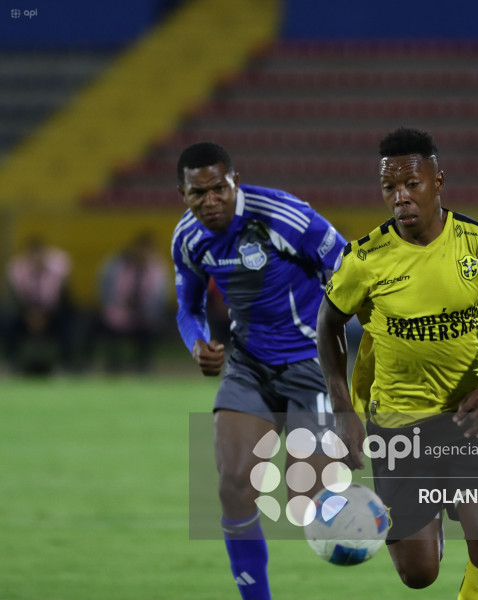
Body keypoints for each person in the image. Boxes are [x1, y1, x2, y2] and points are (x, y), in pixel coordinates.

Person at [317, 128, 478, 599]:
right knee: (420, 575)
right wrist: (343, 410)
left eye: (412, 184)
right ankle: (434, 520)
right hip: (397, 426)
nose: (401, 197)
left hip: (468, 419)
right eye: (390, 187)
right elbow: (327, 326)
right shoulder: (364, 259)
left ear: (438, 182)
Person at [171, 141, 347, 600]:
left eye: (218, 189)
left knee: (306, 500)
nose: (210, 201)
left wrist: (354, 361)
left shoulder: (284, 216)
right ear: (183, 194)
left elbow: (351, 270)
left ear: (234, 181)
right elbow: (186, 307)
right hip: (248, 365)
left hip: (312, 364)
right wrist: (197, 345)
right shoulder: (188, 239)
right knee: (234, 487)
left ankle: (376, 512)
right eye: (197, 194)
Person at [94, 231, 169, 373]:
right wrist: (120, 307)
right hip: (119, 311)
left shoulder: (157, 268)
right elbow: (106, 291)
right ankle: (113, 365)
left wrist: (145, 311)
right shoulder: (116, 265)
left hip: (145, 315)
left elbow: (159, 297)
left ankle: (143, 365)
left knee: (149, 327)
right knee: (105, 325)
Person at [4, 235, 75, 374]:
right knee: (8, 321)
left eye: (39, 255)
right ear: (27, 256)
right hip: (25, 315)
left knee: (67, 321)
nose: (36, 259)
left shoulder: (58, 271)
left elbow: (66, 300)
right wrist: (28, 315)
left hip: (51, 315)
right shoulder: (17, 271)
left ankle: (65, 364)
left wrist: (45, 316)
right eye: (33, 255)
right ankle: (10, 362)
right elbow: (13, 299)